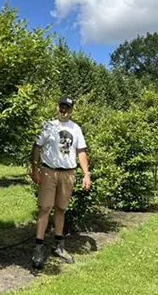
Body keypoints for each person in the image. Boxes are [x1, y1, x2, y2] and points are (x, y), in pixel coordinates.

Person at [30, 96, 91, 269]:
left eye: (67, 107)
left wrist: (86, 174)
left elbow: (81, 152)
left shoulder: (76, 128)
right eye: (61, 106)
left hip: (68, 174)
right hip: (49, 172)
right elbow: (36, 147)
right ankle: (38, 247)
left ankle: (59, 246)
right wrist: (35, 169)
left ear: (71, 110)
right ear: (57, 107)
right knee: (44, 208)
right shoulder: (48, 125)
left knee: (61, 209)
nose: (64, 110)